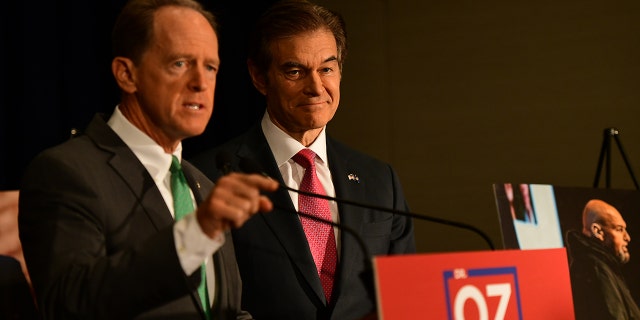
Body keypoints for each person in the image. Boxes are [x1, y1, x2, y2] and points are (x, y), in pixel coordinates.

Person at [18, 0, 278, 319]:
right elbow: (69, 305)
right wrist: (195, 234)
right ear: (127, 75)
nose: (201, 82)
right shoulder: (66, 172)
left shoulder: (204, 187)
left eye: (210, 67)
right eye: (180, 63)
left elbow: (227, 311)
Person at [191, 0, 416, 319]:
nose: (315, 87)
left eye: (327, 68)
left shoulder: (380, 180)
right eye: (295, 71)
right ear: (259, 77)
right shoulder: (206, 176)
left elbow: (404, 296)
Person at [565, 199, 640, 319]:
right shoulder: (595, 267)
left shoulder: (602, 266)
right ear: (598, 231)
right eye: (619, 229)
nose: (628, 238)